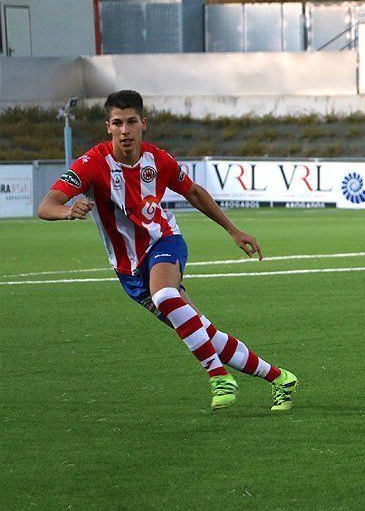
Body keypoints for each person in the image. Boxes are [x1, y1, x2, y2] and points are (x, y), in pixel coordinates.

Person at [38, 90, 298, 411]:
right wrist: (67, 211)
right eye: (118, 123)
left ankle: (218, 376)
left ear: (143, 124)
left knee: (163, 295)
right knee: (203, 333)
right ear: (108, 127)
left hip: (164, 242)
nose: (125, 130)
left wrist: (233, 229)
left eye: (131, 122)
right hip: (129, 271)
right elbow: (47, 205)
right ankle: (280, 379)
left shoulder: (157, 160)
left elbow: (193, 191)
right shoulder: (92, 164)